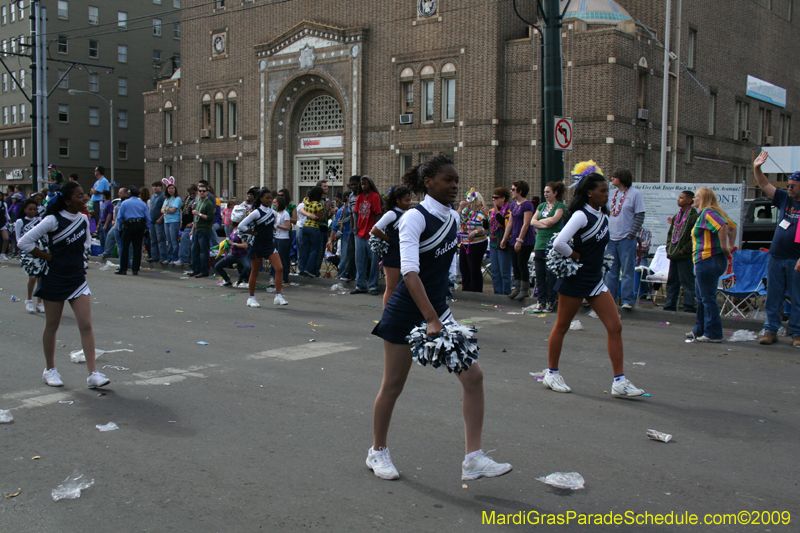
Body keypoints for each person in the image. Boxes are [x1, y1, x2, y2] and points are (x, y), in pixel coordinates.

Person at [369, 154, 512, 481]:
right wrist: (432, 319)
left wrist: (440, 314)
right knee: (392, 385)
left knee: (474, 377)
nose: (454, 185)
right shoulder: (413, 218)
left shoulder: (454, 218)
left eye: (455, 180)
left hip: (437, 309)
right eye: (448, 180)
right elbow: (409, 273)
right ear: (428, 182)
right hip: (407, 312)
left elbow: (442, 269)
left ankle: (473, 459)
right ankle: (377, 452)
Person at [544, 173, 644, 396]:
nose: (607, 195)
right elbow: (559, 242)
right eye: (602, 191)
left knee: (615, 326)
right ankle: (551, 374)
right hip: (576, 278)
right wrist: (576, 256)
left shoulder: (604, 216)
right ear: (589, 192)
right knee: (562, 325)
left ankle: (619, 382)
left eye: (607, 190)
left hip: (595, 280)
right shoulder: (581, 215)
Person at [17, 181, 111, 389]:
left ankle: (93, 373)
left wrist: (79, 260)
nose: (85, 198)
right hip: (55, 279)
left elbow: (86, 244)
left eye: (84, 195)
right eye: (79, 196)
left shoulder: (84, 220)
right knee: (52, 325)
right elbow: (24, 242)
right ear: (68, 201)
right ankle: (50, 369)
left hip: (77, 278)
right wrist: (48, 257)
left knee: (86, 325)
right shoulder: (52, 220)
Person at [752, 152, 800, 348]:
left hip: (796, 259)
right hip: (776, 256)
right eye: (788, 185)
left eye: (793, 186)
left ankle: (796, 332)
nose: (788, 188)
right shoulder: (784, 199)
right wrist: (757, 168)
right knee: (774, 295)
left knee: (797, 297)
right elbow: (764, 185)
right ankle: (771, 330)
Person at [688, 187, 734, 343]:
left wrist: (724, 246)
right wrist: (730, 245)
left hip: (709, 258)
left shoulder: (708, 213)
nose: (693, 199)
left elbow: (723, 226)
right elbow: (732, 226)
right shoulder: (705, 214)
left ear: (702, 198)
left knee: (707, 298)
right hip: (704, 260)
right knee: (701, 298)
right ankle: (700, 329)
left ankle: (713, 332)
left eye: (695, 197)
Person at [239, 188, 288, 307]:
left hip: (269, 245)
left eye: (271, 198)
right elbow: (241, 225)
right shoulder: (256, 212)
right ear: (261, 199)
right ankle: (251, 298)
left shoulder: (274, 213)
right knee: (255, 272)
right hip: (257, 245)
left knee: (279, 268)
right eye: (267, 198)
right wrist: (253, 233)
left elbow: (274, 226)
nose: (270, 200)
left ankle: (278, 295)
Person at [604, 169, 645, 309]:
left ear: (622, 179)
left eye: (614, 176)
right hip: (611, 238)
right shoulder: (611, 194)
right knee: (611, 271)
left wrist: (631, 234)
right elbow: (606, 212)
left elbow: (640, 215)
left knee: (627, 270)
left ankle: (627, 300)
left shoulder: (635, 194)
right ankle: (611, 300)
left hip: (626, 238)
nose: (612, 178)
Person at [371, 186, 412, 308]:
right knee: (391, 287)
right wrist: (389, 239)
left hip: (405, 252)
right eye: (406, 200)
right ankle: (387, 315)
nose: (409, 203)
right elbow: (375, 230)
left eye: (410, 200)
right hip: (393, 254)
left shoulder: (408, 213)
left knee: (405, 286)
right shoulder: (392, 214)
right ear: (398, 200)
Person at [530, 181, 567, 312]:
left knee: (550, 274)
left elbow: (553, 220)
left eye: (548, 192)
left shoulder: (560, 206)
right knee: (539, 274)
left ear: (555, 193)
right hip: (539, 243)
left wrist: (542, 223)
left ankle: (551, 301)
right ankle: (541, 300)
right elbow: (532, 221)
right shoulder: (541, 205)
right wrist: (543, 224)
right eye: (545, 192)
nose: (545, 194)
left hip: (552, 244)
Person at [663, 191, 698, 313]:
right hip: (674, 253)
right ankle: (669, 305)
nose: (678, 200)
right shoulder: (677, 216)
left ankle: (688, 306)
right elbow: (671, 233)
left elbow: (694, 237)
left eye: (681, 198)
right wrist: (669, 247)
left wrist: (684, 250)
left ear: (689, 200)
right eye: (679, 197)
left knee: (687, 282)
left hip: (684, 255)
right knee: (672, 281)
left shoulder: (693, 216)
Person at [501, 180, 535, 300]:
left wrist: (520, 240)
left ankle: (524, 289)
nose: (511, 191)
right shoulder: (513, 205)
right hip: (514, 238)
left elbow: (526, 224)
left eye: (513, 189)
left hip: (525, 239)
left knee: (522, 263)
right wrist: (505, 238)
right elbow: (510, 222)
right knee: (515, 264)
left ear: (520, 191)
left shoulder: (527, 205)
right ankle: (517, 287)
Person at [353, 176, 383, 295]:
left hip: (371, 234)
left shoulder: (375, 197)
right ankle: (360, 285)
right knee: (359, 261)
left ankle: (373, 285)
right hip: (359, 234)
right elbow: (355, 214)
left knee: (374, 261)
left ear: (370, 184)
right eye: (362, 184)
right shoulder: (359, 197)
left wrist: (376, 231)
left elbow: (378, 215)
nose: (363, 186)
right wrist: (355, 228)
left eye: (365, 184)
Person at [15, 199, 45, 313]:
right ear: (24, 210)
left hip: (39, 251)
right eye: (30, 209)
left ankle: (40, 302)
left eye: (34, 209)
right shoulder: (20, 222)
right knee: (32, 277)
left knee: (40, 278)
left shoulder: (40, 220)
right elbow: (18, 239)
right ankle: (29, 300)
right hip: (27, 252)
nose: (33, 211)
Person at [457, 189, 489, 293]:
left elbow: (486, 229)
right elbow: (457, 221)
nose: (468, 202)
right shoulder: (466, 212)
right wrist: (460, 208)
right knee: (464, 267)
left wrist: (475, 231)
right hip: (465, 243)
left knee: (474, 268)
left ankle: (476, 291)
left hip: (477, 244)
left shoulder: (481, 213)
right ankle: (466, 290)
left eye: (470, 200)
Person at [115, 186, 150, 275]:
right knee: (137, 248)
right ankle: (135, 269)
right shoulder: (142, 203)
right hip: (140, 226)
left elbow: (119, 217)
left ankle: (123, 269)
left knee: (125, 248)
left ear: (130, 194)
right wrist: (147, 229)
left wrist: (120, 228)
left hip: (128, 226)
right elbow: (148, 218)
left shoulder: (125, 203)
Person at [487, 187, 512, 295]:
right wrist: (485, 217)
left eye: (496, 197)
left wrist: (497, 213)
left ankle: (506, 293)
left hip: (503, 242)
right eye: (492, 197)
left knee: (504, 272)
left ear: (503, 198)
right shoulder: (491, 211)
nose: (493, 200)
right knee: (495, 271)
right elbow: (487, 226)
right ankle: (497, 293)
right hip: (493, 242)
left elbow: (506, 224)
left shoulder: (509, 210)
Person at [188, 184, 216, 278]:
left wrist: (199, 214)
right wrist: (192, 230)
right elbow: (195, 219)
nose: (202, 193)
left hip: (205, 230)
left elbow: (210, 218)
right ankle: (195, 269)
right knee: (194, 250)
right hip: (197, 229)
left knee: (204, 251)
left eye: (204, 191)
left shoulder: (209, 204)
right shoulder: (199, 202)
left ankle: (204, 271)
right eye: (200, 191)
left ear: (207, 192)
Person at [213, 219, 250, 287]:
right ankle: (227, 280)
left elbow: (245, 245)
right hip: (233, 254)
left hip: (242, 255)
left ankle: (243, 279)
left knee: (249, 267)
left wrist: (234, 244)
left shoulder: (241, 232)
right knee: (218, 266)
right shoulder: (234, 230)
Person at [298, 186, 325, 277]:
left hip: (305, 227)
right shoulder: (318, 205)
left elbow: (302, 209)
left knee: (306, 249)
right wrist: (327, 210)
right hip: (314, 228)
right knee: (315, 249)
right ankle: (309, 269)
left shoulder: (307, 202)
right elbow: (320, 219)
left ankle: (304, 268)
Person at [102, 187, 127, 260]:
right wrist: (114, 220)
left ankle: (124, 259)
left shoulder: (126, 202)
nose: (119, 194)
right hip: (116, 224)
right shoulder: (119, 202)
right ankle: (107, 253)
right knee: (110, 236)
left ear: (125, 193)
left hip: (122, 225)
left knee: (121, 243)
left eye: (120, 193)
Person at [161, 181, 183, 265]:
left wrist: (166, 210)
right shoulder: (166, 199)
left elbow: (173, 209)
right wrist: (166, 210)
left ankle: (175, 257)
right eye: (169, 188)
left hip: (174, 221)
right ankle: (169, 257)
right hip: (166, 221)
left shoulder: (177, 199)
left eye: (172, 188)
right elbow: (162, 210)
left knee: (174, 240)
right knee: (169, 240)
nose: (170, 190)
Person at [273, 195, 292, 287]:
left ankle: (284, 277)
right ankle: (275, 276)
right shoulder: (276, 213)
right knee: (275, 257)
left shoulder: (285, 214)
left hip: (283, 238)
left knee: (282, 258)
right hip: (276, 237)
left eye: (275, 202)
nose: (274, 204)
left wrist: (278, 226)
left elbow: (288, 227)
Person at [148, 181, 168, 264]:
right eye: (154, 186)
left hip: (158, 221)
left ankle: (163, 256)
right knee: (153, 240)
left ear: (161, 187)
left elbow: (165, 208)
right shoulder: (153, 196)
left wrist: (161, 218)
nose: (155, 188)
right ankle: (154, 256)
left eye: (157, 186)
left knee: (160, 239)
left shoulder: (162, 196)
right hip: (152, 221)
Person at [179, 185, 198, 266]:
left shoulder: (197, 200)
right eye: (190, 193)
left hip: (191, 224)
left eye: (194, 193)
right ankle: (188, 258)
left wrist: (193, 223)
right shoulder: (187, 198)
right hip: (185, 223)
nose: (192, 194)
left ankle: (184, 259)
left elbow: (197, 213)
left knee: (185, 239)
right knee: (189, 242)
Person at [89, 166, 110, 231]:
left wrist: (93, 190)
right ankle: (97, 231)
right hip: (95, 202)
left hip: (100, 201)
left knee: (99, 217)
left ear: (98, 171)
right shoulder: (97, 181)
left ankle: (99, 232)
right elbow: (91, 191)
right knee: (95, 217)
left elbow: (95, 191)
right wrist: (92, 190)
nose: (94, 172)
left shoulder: (103, 180)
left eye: (95, 171)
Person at [0, 191, 9, 260]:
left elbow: (6, 214)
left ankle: (3, 253)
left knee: (6, 238)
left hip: (2, 223)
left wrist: (10, 222)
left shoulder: (4, 204)